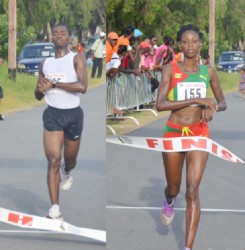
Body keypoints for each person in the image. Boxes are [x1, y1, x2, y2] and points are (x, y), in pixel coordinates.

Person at [156, 24, 227, 250]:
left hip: (199, 133)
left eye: (194, 41)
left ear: (200, 44)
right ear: (179, 44)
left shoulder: (209, 72)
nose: (190, 46)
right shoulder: (170, 69)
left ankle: (188, 247)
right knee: (174, 188)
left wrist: (212, 107)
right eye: (185, 42)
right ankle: (168, 201)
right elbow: (160, 104)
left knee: (193, 190)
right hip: (174, 133)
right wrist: (196, 102)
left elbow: (222, 102)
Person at [34, 24, 88, 220]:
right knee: (53, 160)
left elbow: (82, 86)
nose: (58, 36)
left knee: (70, 160)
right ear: (52, 39)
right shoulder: (45, 63)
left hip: (73, 115)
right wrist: (41, 89)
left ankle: (68, 170)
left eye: (63, 33)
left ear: (69, 38)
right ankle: (54, 209)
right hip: (53, 115)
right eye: (55, 33)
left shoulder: (76, 58)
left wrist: (55, 84)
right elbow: (37, 95)